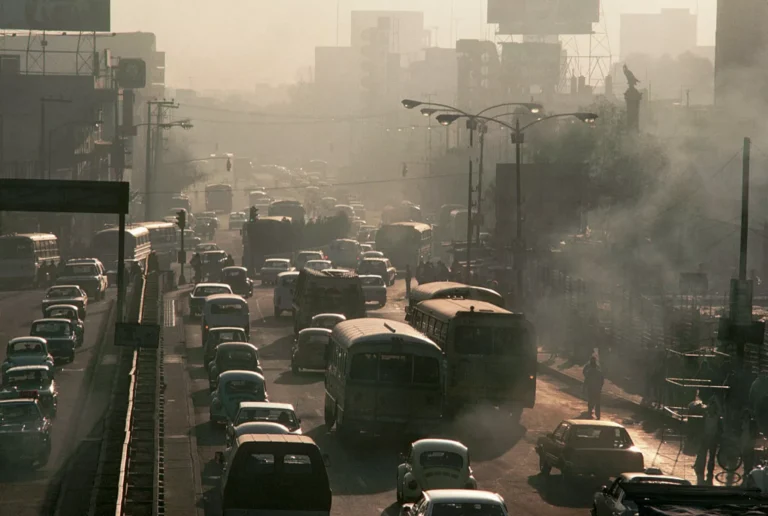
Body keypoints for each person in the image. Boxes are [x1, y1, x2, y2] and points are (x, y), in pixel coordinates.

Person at [694, 398, 722, 485]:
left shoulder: (717, 416)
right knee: (703, 455)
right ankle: (700, 469)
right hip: (705, 438)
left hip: (713, 439)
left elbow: (721, 410)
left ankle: (710, 472)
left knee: (712, 457)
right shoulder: (705, 415)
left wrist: (717, 401)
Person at [582, 355, 605, 419]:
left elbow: (586, 380)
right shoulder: (599, 372)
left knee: (591, 401)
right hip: (597, 390)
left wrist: (584, 389)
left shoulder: (589, 372)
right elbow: (602, 381)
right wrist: (600, 387)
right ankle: (598, 416)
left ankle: (590, 413)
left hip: (591, 389)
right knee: (597, 402)